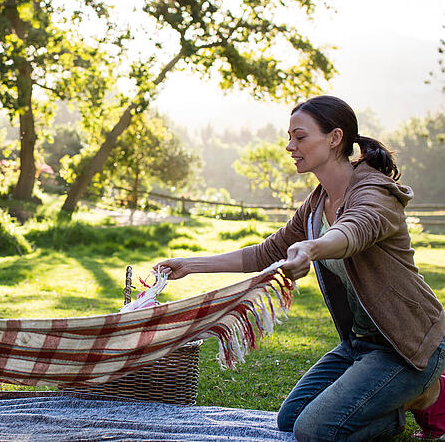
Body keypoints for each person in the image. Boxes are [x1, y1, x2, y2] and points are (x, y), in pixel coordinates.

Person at [154, 95, 445, 441]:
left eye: (300, 136)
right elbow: (266, 252)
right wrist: (190, 264)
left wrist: (311, 247)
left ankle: (428, 389)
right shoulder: (317, 203)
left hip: (409, 345)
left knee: (314, 432)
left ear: (335, 138)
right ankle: (394, 410)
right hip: (361, 344)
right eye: (290, 136)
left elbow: (354, 230)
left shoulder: (374, 191)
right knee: (290, 419)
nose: (290, 146)